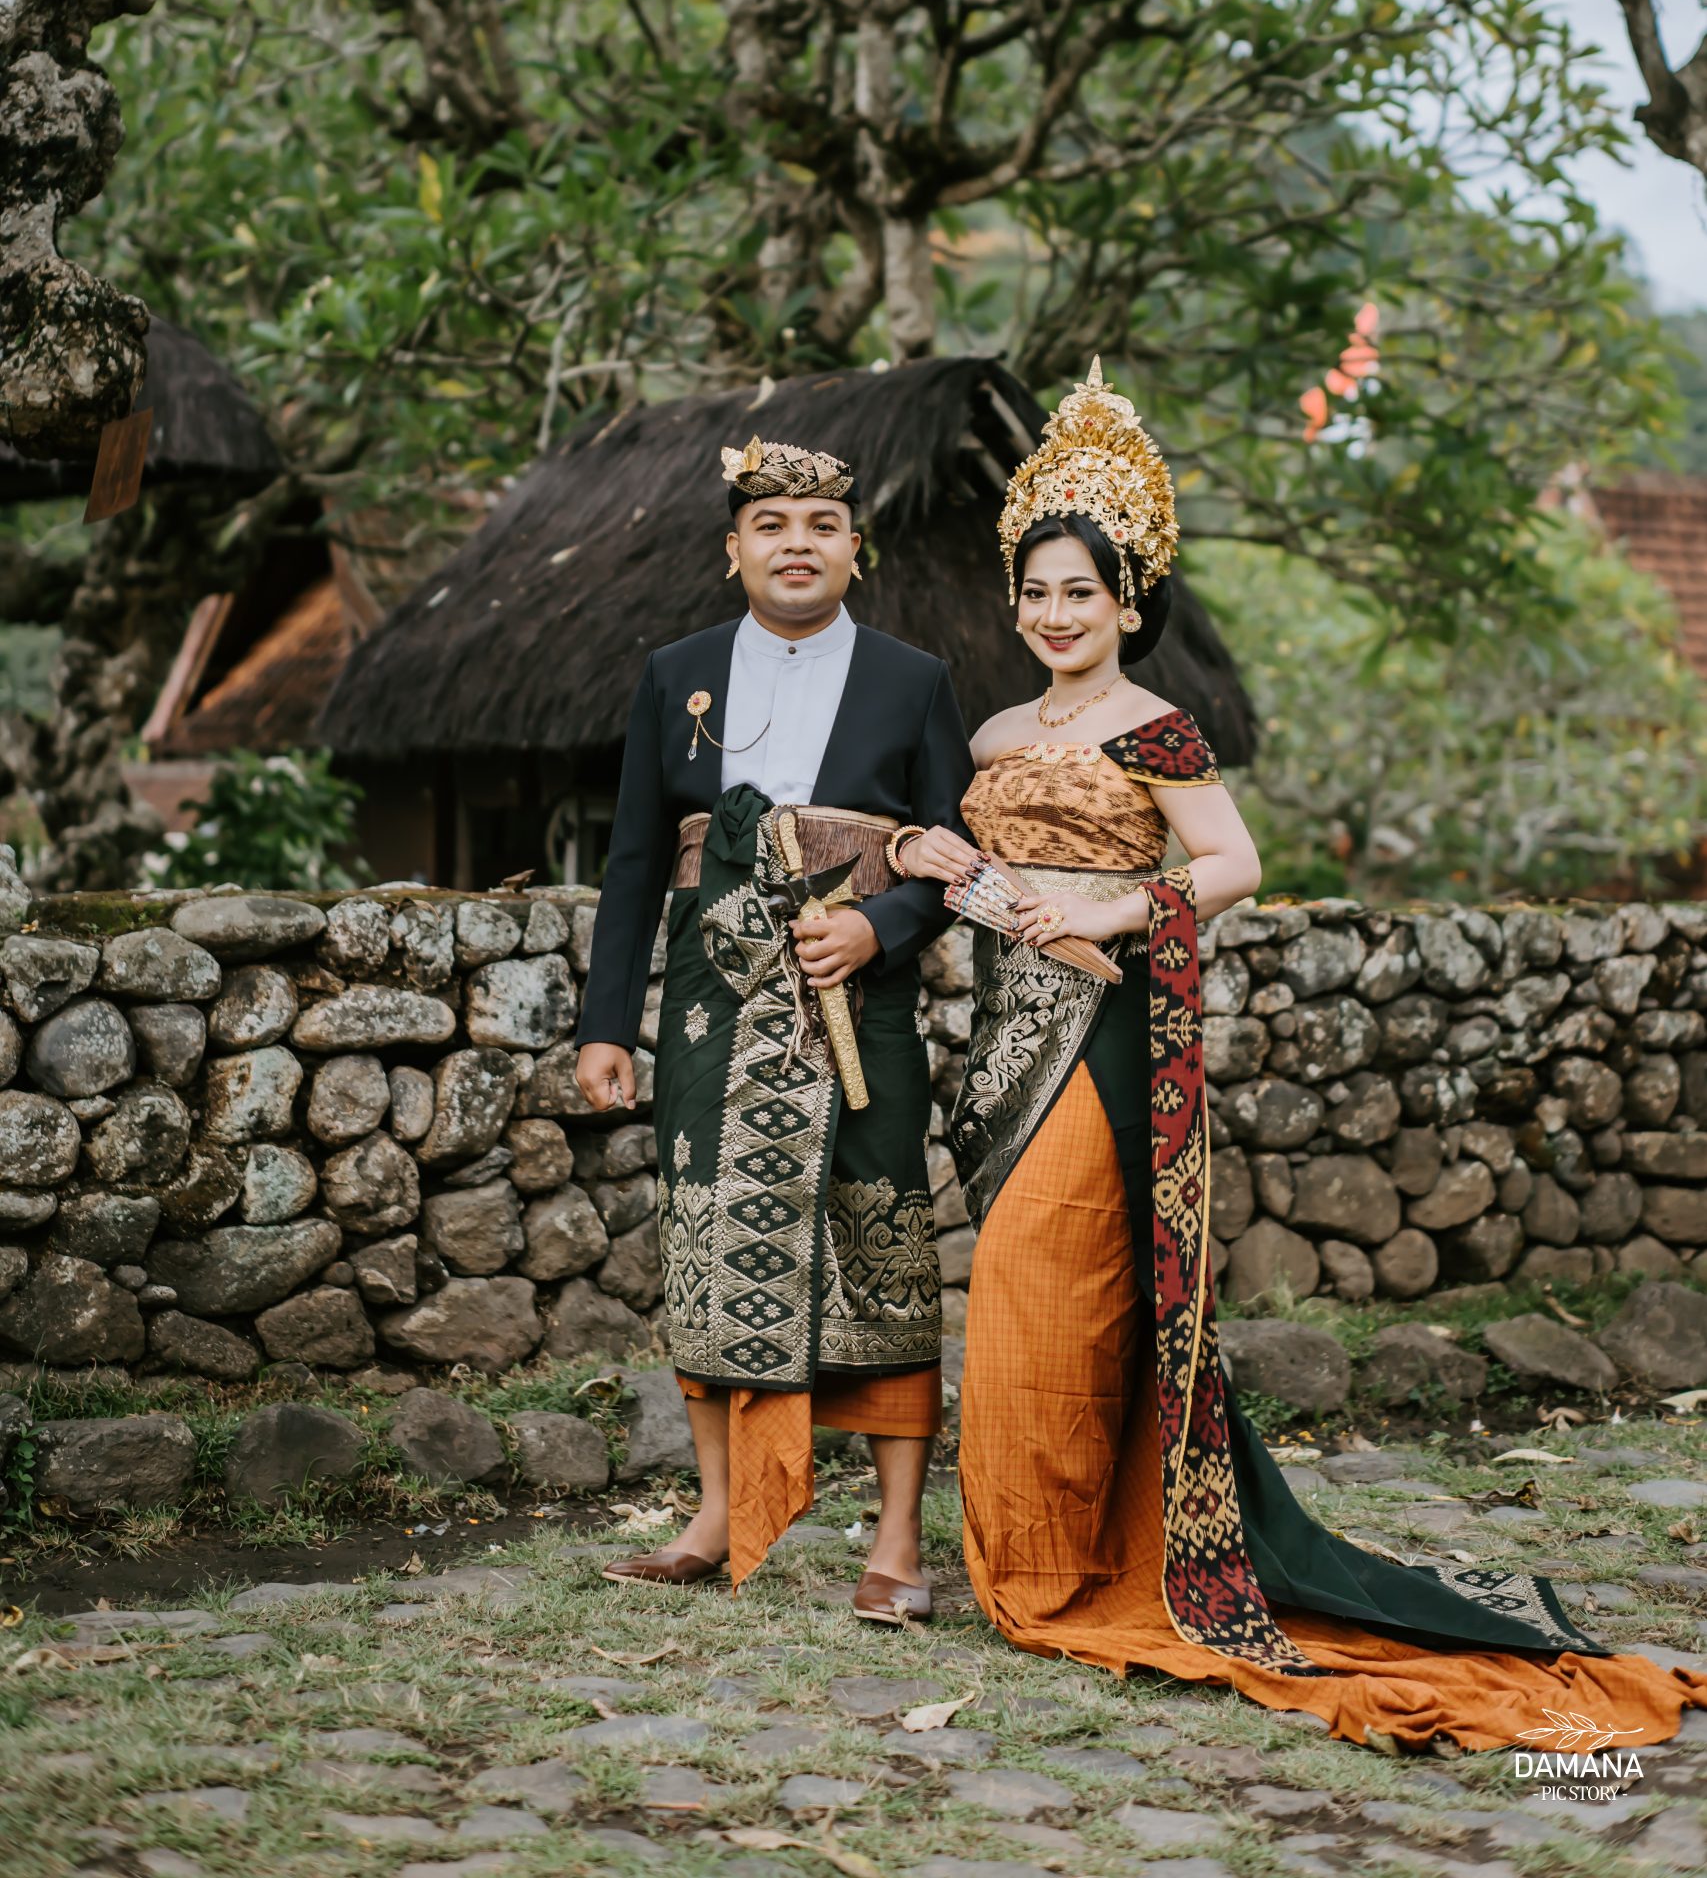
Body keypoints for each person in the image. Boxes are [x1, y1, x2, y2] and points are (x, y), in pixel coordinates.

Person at [893, 358, 1707, 1749]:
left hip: (1100, 1041)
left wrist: (1110, 908)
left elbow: (1233, 864)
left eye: (1080, 592)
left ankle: (1060, 1568)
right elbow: (987, 876)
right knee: (1011, 1297)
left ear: (1128, 602)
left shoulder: (1155, 729)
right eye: (1034, 591)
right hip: (1000, 1040)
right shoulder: (990, 731)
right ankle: (1029, 1553)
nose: (1053, 613)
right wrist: (936, 859)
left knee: (1056, 1287)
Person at [575, 430, 974, 1616]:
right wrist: (607, 1024)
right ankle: (715, 1514)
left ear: (856, 549)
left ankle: (895, 1541)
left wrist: (878, 929)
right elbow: (635, 859)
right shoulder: (676, 674)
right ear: (733, 548)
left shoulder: (917, 679)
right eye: (771, 526)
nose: (797, 545)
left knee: (885, 1245)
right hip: (713, 1005)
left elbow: (954, 853)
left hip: (862, 1003)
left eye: (822, 527)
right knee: (704, 1239)